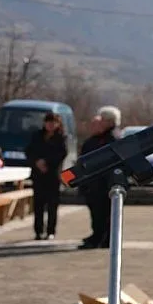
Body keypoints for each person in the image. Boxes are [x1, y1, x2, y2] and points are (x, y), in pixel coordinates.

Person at [78, 106, 120, 249]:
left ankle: (101, 239)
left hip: (104, 183)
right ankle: (98, 236)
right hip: (93, 183)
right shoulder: (98, 138)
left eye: (102, 119)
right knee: (97, 213)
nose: (99, 122)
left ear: (109, 121)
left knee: (104, 214)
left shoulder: (112, 138)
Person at [24, 112, 68, 240]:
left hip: (52, 175)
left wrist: (47, 162)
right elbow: (29, 151)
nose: (50, 125)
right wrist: (37, 161)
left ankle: (51, 231)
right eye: (48, 122)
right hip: (38, 175)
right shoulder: (37, 135)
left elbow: (62, 154)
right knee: (38, 204)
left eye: (53, 122)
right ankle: (38, 231)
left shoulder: (60, 138)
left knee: (52, 204)